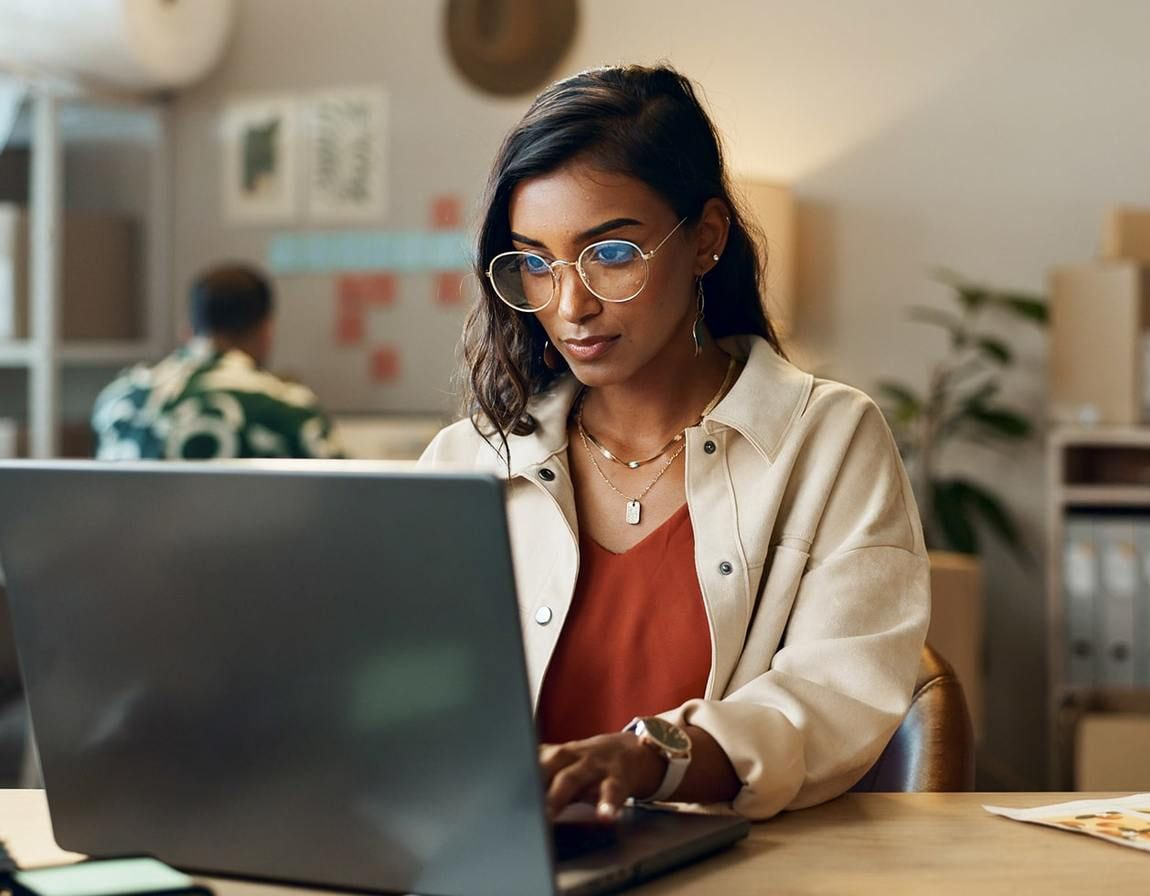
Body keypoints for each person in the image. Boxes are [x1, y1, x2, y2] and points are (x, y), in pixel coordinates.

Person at [419, 65, 929, 821]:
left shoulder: (825, 439)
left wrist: (654, 758)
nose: (571, 305)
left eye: (612, 254)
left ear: (706, 240)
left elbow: (837, 696)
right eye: (535, 262)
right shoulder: (470, 461)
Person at [93, 263, 341, 461]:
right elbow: (346, 500)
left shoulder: (118, 400)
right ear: (267, 331)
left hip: (135, 526)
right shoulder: (288, 408)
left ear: (187, 331)